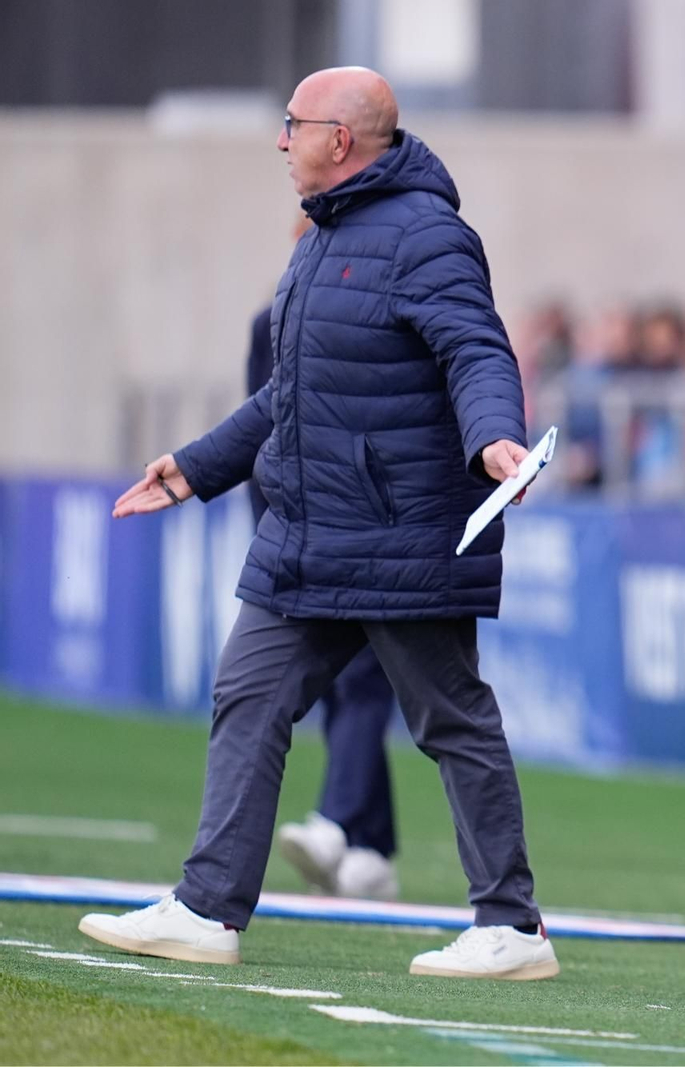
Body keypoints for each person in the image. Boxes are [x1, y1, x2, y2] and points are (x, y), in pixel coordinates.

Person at [77, 67, 557, 982]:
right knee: (248, 697)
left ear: (341, 138)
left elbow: (476, 350)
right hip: (307, 536)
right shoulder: (321, 239)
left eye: (292, 124)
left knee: (451, 718)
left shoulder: (427, 236)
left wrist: (496, 436)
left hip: (398, 534)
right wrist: (196, 467)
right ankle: (208, 907)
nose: (280, 139)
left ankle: (513, 926)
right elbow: (287, 395)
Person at [243, 217, 403, 902]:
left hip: (377, 534)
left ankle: (341, 824)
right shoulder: (271, 322)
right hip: (306, 531)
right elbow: (263, 428)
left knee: (369, 683)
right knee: (345, 687)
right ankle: (370, 843)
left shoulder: (389, 318)